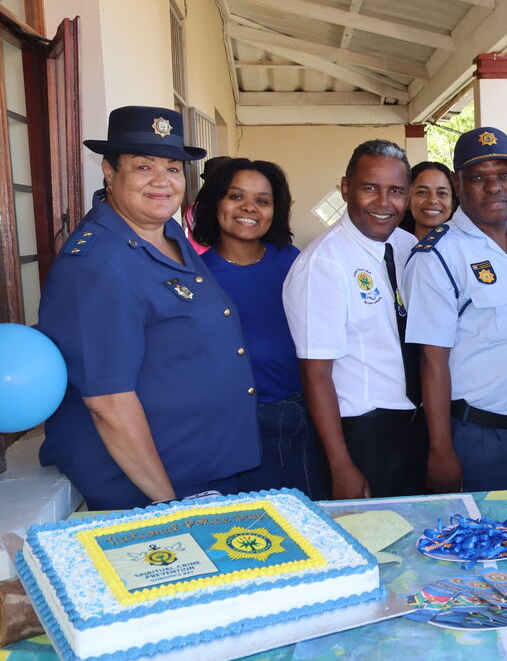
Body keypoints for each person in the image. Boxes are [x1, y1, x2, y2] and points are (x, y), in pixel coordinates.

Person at [37, 105, 259, 510]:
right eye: (143, 167)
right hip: (150, 491)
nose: (163, 181)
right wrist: (169, 503)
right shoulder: (97, 264)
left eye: (173, 169)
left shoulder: (168, 232)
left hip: (205, 470)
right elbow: (109, 404)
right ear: (109, 170)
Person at [402, 127, 507, 544]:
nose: (495, 187)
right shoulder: (438, 256)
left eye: (505, 175)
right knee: (490, 572)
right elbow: (432, 360)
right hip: (484, 441)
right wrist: (440, 448)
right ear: (459, 184)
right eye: (479, 177)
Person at [282, 139, 424, 500]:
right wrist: (340, 463)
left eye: (395, 191)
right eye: (369, 188)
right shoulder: (324, 263)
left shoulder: (408, 247)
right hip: (363, 434)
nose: (383, 202)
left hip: (414, 425)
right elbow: (316, 373)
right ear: (346, 188)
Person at [192, 158, 327, 499]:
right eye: (236, 197)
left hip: (299, 417)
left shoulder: (292, 260)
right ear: (216, 202)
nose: (249, 208)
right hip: (234, 426)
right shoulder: (195, 275)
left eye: (262, 201)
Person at [399, 161, 457, 240]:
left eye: (442, 193)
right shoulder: (389, 247)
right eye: (422, 192)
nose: (432, 200)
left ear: (452, 204)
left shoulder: (465, 249)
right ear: (408, 201)